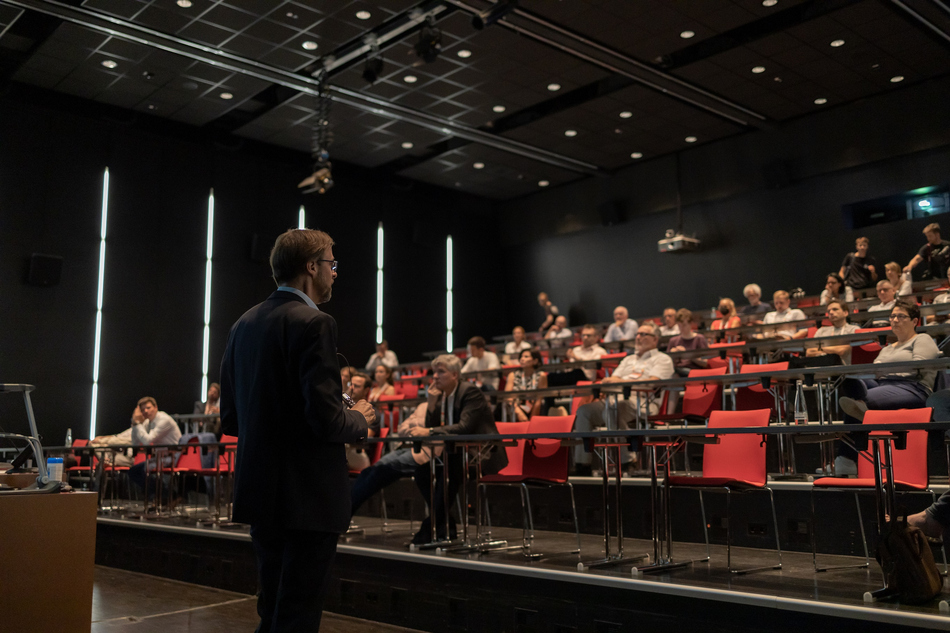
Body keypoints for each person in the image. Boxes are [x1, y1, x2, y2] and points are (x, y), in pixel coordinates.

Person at [219, 228, 373, 632]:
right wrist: (361, 417)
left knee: (272, 608)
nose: (335, 273)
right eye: (332, 264)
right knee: (298, 614)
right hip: (307, 496)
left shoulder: (242, 325)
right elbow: (326, 420)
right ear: (311, 267)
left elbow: (231, 419)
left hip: (260, 489)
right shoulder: (314, 322)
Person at [405, 354, 507, 545]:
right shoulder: (444, 395)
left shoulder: (470, 392)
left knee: (449, 474)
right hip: (457, 454)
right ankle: (445, 526)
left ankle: (429, 531)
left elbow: (464, 428)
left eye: (440, 372)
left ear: (455, 374)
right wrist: (432, 403)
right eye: (434, 372)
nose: (435, 377)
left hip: (481, 455)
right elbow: (432, 428)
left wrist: (428, 430)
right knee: (422, 472)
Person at [833, 300, 939, 475]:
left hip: (912, 387)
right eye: (892, 316)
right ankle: (859, 402)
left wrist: (886, 370)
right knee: (855, 383)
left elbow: (919, 366)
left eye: (901, 316)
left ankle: (847, 457)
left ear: (915, 321)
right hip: (883, 384)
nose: (895, 320)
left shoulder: (922, 339)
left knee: (859, 397)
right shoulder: (888, 348)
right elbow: (875, 372)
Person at [572, 322, 674, 475]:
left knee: (612, 408)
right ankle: (582, 464)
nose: (639, 337)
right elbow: (610, 380)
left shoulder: (662, 359)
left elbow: (651, 383)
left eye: (644, 334)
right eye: (638, 334)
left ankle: (628, 460)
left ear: (655, 339)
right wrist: (617, 382)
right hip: (616, 398)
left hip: (643, 402)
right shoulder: (628, 359)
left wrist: (621, 382)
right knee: (584, 411)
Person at [127, 397, 184, 498]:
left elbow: (148, 441)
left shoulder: (164, 420)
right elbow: (136, 442)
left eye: (148, 408)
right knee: (133, 471)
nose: (145, 411)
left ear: (156, 407)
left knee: (143, 470)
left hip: (174, 457)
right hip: (160, 457)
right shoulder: (148, 422)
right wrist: (135, 423)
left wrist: (138, 424)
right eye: (142, 409)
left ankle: (166, 496)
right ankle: (165, 495)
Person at [804, 300, 860, 365]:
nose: (831, 312)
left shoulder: (853, 329)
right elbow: (809, 352)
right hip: (822, 366)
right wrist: (834, 349)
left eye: (835, 309)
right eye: (828, 311)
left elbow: (842, 351)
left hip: (845, 368)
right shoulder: (821, 331)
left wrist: (819, 348)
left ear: (845, 313)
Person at [505, 349, 549, 420]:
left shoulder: (541, 376)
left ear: (535, 361)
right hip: (516, 408)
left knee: (543, 404)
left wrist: (532, 419)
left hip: (534, 408)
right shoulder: (512, 375)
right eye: (521, 357)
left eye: (526, 357)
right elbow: (508, 397)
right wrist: (519, 413)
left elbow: (539, 399)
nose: (522, 359)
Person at [345, 372, 375, 472]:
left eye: (357, 386)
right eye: (350, 384)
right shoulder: (342, 406)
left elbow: (361, 437)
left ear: (366, 390)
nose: (351, 388)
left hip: (358, 454)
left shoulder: (371, 411)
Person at [666, 309, 709, 377]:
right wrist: (672, 355)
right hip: (677, 372)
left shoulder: (699, 339)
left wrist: (688, 355)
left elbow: (705, 363)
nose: (681, 328)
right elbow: (667, 363)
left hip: (694, 372)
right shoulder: (673, 340)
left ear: (691, 324)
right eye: (679, 326)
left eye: (684, 325)